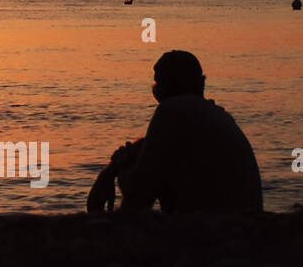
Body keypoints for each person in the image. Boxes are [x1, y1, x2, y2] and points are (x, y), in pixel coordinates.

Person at [87, 50, 263, 214]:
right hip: (244, 224)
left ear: (162, 88)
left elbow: (139, 197)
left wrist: (119, 173)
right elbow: (154, 146)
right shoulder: (216, 114)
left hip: (217, 231)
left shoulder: (171, 111)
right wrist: (114, 168)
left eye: (156, 83)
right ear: (202, 82)